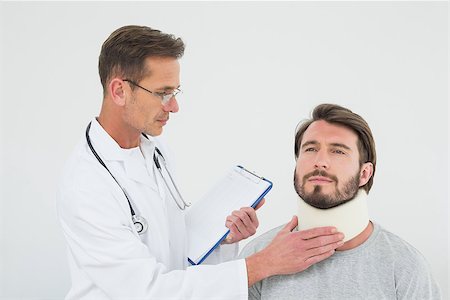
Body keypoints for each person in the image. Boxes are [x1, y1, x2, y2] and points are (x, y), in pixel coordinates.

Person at [56, 25, 345, 299]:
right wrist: (263, 264)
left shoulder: (154, 151)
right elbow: (148, 291)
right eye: (162, 93)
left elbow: (174, 254)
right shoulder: (86, 184)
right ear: (119, 91)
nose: (174, 106)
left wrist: (223, 240)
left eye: (175, 92)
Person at [240, 103, 441, 300]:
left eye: (338, 151)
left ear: (364, 174)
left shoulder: (404, 266)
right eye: (310, 149)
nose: (320, 161)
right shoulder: (259, 256)